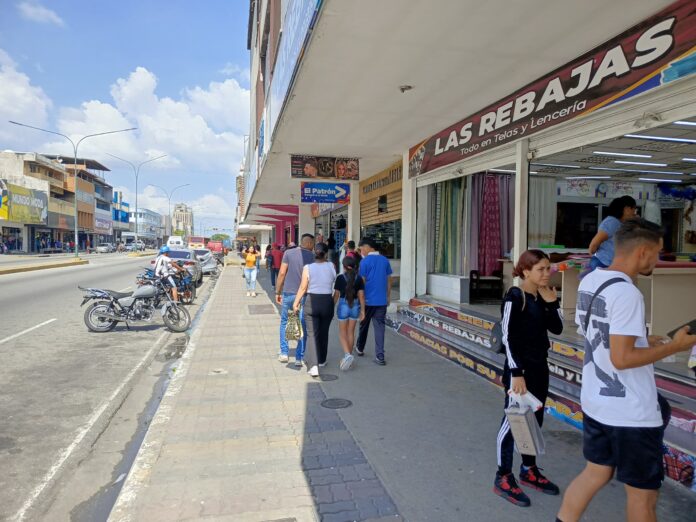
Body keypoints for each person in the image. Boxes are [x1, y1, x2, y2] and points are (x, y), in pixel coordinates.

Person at [557, 219, 696, 522]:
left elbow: (599, 335)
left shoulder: (591, 280)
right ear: (643, 252)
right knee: (643, 497)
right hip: (631, 413)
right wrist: (675, 346)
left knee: (594, 474)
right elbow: (621, 358)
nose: (657, 261)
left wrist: (647, 340)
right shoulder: (628, 293)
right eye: (657, 253)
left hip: (597, 402)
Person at [493, 250, 564, 507]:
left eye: (548, 269)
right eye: (541, 269)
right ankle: (502, 476)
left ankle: (529, 470)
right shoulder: (515, 297)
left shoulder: (540, 296)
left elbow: (557, 328)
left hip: (539, 368)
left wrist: (551, 302)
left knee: (534, 420)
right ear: (525, 271)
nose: (547, 274)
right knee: (512, 423)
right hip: (519, 372)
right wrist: (516, 373)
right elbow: (508, 337)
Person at [293, 242, 337, 377]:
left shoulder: (308, 268)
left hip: (312, 301)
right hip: (327, 302)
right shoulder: (331, 266)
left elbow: (303, 287)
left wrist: (296, 303)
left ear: (314, 253)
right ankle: (322, 360)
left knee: (312, 334)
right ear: (326, 253)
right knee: (324, 332)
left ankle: (313, 366)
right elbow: (333, 283)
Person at [276, 234, 315, 365]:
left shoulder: (288, 253)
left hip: (288, 292)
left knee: (285, 322)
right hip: (304, 295)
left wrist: (278, 291)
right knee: (302, 323)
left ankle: (284, 353)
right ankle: (299, 357)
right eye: (313, 244)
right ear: (309, 243)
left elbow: (282, 273)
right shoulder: (312, 256)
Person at [355, 237, 392, 365]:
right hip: (381, 301)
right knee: (380, 328)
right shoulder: (385, 260)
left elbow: (362, 282)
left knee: (363, 326)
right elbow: (389, 280)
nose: (361, 252)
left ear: (368, 247)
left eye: (361, 249)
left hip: (367, 301)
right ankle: (380, 356)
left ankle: (360, 348)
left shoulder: (364, 262)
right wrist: (388, 296)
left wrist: (360, 300)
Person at [587, 196, 637, 272]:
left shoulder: (620, 223)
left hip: (610, 264)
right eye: (634, 209)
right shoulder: (612, 222)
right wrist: (594, 255)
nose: (634, 212)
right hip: (603, 264)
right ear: (627, 209)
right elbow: (594, 244)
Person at [334, 256, 365, 371]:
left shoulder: (340, 278)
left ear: (344, 266)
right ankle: (349, 357)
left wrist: (331, 306)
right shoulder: (359, 278)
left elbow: (336, 295)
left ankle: (347, 355)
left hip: (343, 305)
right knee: (351, 332)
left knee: (342, 333)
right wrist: (363, 311)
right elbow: (361, 296)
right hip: (355, 306)